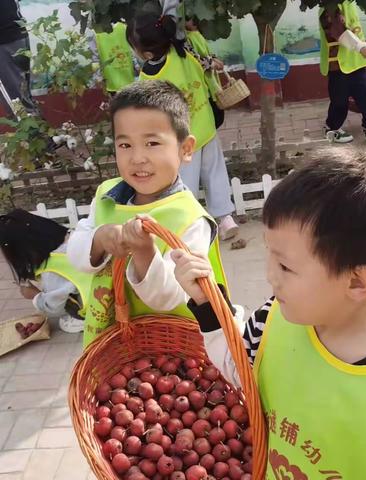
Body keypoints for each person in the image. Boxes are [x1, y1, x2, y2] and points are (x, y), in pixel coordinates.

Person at [171, 149, 366, 479]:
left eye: (286, 266)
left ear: (356, 281)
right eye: (270, 256)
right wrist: (207, 303)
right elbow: (240, 366)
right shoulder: (275, 318)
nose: (271, 275)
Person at [67, 80, 230, 347]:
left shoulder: (189, 218)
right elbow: (76, 256)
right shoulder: (107, 196)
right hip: (111, 341)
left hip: (172, 347)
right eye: (125, 146)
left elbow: (168, 298)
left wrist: (145, 252)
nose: (137, 158)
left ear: (186, 149)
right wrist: (98, 239)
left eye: (152, 143)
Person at [126, 6, 239, 241]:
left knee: (185, 185)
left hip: (181, 140)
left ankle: (194, 226)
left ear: (144, 53)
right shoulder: (185, 52)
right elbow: (201, 51)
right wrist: (192, 32)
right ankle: (226, 219)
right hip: (206, 127)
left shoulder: (149, 76)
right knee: (216, 173)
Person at [0, 209, 91, 333]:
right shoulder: (72, 236)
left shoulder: (54, 266)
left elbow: (54, 308)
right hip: (105, 289)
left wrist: (34, 294)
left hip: (95, 306)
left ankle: (84, 319)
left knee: (65, 321)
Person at [320, 0, 366, 143]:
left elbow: (352, 27)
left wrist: (361, 44)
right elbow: (338, 31)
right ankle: (332, 128)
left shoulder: (349, 3)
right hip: (338, 64)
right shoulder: (329, 6)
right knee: (339, 100)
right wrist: (361, 47)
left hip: (355, 62)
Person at [0, 0, 38, 116]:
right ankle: (39, 132)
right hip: (14, 33)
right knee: (22, 98)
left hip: (6, 37)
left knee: (16, 101)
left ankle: (34, 133)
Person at [94, 23, 136, 95]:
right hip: (115, 83)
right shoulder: (124, 27)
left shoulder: (124, 27)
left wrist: (98, 77)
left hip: (126, 82)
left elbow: (94, 59)